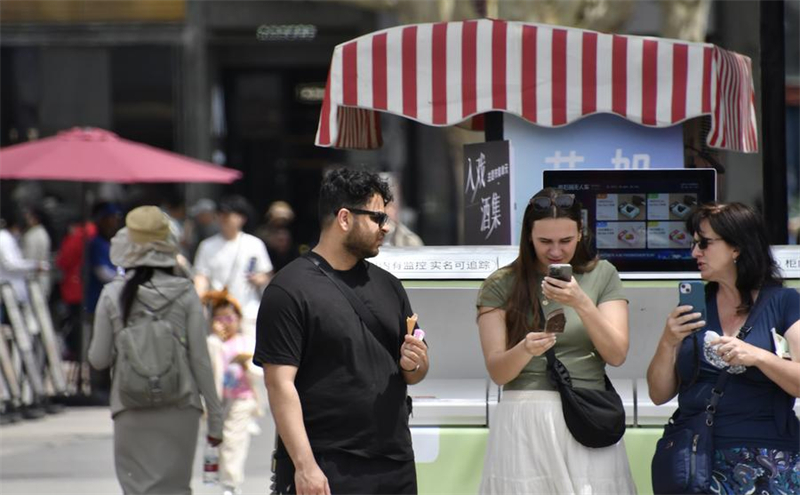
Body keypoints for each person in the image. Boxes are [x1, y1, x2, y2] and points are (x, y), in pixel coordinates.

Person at [254, 168, 430, 495]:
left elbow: (415, 371)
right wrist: (305, 467)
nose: (386, 227)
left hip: (395, 461)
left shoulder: (388, 285)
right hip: (327, 464)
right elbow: (279, 385)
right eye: (377, 218)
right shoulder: (289, 289)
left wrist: (414, 363)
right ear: (345, 218)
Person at [476, 188, 636, 494]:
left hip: (586, 413)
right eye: (544, 242)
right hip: (525, 414)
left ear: (580, 234)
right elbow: (498, 371)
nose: (556, 251)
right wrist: (525, 348)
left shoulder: (603, 275)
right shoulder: (500, 283)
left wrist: (581, 302)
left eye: (566, 241)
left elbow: (616, 354)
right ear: (528, 238)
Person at [646, 202, 800, 494]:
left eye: (704, 243)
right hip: (697, 458)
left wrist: (758, 357)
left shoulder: (784, 303)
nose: (695, 253)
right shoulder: (695, 306)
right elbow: (658, 393)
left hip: (769, 458)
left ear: (736, 248)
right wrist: (667, 342)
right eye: (694, 244)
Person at [88, 206, 223, 495]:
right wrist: (215, 416)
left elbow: (97, 359)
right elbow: (200, 359)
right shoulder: (186, 291)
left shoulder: (113, 294)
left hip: (130, 406)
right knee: (176, 489)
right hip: (181, 406)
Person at [204, 289, 265, 495]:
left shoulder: (247, 341)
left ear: (238, 319)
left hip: (243, 399)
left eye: (229, 317)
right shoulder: (214, 344)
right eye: (219, 318)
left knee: (232, 441)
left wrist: (246, 363)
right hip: (222, 402)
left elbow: (261, 373)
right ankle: (227, 480)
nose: (224, 323)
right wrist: (215, 339)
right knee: (221, 442)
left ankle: (231, 485)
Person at [194, 195, 272, 340]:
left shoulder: (254, 244)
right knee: (220, 357)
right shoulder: (207, 246)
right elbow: (201, 277)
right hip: (219, 315)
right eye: (220, 214)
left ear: (241, 218)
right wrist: (201, 302)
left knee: (248, 357)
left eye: (228, 215)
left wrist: (259, 279)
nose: (224, 218)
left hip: (248, 313)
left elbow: (267, 275)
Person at [21, 206, 52, 298]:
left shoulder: (34, 235)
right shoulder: (42, 232)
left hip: (34, 278)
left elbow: (30, 257)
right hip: (40, 277)